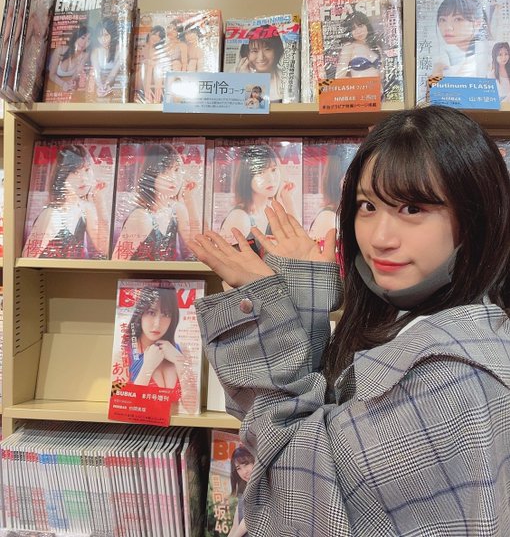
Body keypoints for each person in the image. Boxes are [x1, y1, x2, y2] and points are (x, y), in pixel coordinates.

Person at [189, 105, 510, 536]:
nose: (380, 238)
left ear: (477, 216)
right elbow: (323, 425)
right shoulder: (421, 317)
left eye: (413, 208)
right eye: (367, 205)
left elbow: (295, 500)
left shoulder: (455, 378)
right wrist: (304, 298)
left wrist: (261, 319)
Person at [112, 143, 201, 261]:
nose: (173, 178)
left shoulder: (176, 211)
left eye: (176, 170)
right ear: (151, 175)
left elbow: (197, 250)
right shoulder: (141, 217)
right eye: (164, 171)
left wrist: (190, 200)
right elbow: (117, 262)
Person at [22, 144, 110, 259]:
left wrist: (100, 202)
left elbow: (104, 248)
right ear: (62, 176)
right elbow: (29, 258)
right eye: (75, 172)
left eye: (87, 170)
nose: (83, 178)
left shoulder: (84, 208)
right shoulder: (52, 214)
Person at [124, 284, 197, 413]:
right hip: (141, 424)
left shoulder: (180, 351)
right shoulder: (124, 354)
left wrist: (179, 361)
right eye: (151, 312)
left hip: (175, 423)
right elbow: (123, 405)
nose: (157, 323)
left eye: (166, 314)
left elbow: (192, 408)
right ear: (140, 314)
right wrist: (147, 367)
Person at [219, 144, 297, 250]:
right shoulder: (240, 217)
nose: (270, 179)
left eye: (273, 170)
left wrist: (288, 200)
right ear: (246, 176)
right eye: (260, 172)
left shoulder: (269, 211)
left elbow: (299, 245)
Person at [431, 0, 488, 78]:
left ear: (478, 23)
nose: (448, 27)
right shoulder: (444, 58)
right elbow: (432, 86)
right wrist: (436, 73)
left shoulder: (486, 57)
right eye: (443, 20)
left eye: (458, 19)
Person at [236, 25, 285, 102]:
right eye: (254, 51)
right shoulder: (237, 76)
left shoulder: (287, 79)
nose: (261, 57)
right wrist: (244, 79)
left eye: (267, 49)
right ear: (246, 54)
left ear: (276, 51)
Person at [335, 10, 382, 80]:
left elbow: (382, 75)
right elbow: (339, 77)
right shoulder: (349, 47)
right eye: (353, 29)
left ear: (367, 26)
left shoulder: (376, 47)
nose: (358, 31)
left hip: (378, 86)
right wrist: (357, 84)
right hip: (361, 86)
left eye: (360, 26)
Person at [46, 24, 91, 96]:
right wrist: (63, 84)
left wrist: (72, 82)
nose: (84, 43)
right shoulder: (60, 50)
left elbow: (76, 74)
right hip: (52, 84)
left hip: (66, 89)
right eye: (82, 38)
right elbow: (51, 74)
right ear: (76, 36)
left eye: (88, 40)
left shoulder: (85, 55)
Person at [89, 18, 122, 99]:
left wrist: (106, 84)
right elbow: (97, 73)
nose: (103, 39)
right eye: (99, 36)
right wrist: (101, 87)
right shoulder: (95, 52)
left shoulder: (121, 50)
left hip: (118, 87)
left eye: (106, 35)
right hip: (102, 86)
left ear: (112, 34)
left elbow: (114, 72)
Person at [227, 446, 255, 537]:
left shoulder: (263, 487)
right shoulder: (243, 491)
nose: (244, 472)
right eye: (238, 468)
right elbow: (235, 526)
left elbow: (247, 521)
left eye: (246, 464)